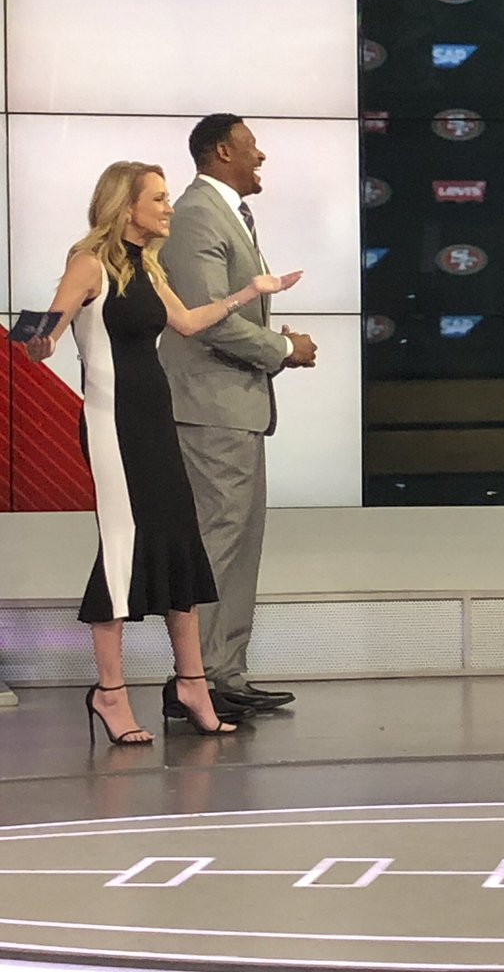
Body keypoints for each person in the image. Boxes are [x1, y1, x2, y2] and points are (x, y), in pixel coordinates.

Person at [20, 161, 301, 744]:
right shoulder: (89, 264)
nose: (170, 207)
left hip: (155, 420)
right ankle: (110, 693)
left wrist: (250, 292)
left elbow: (189, 323)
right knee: (123, 551)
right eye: (159, 198)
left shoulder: (147, 265)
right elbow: (49, 330)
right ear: (127, 206)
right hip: (112, 425)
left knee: (179, 542)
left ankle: (192, 683)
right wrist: (38, 342)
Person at [158, 115, 317, 717]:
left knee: (239, 542)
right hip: (210, 408)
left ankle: (223, 674)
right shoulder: (199, 213)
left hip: (234, 409)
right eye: (253, 147)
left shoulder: (226, 214)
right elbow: (207, 318)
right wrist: (283, 348)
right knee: (218, 543)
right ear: (223, 151)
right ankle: (195, 681)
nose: (262, 157)